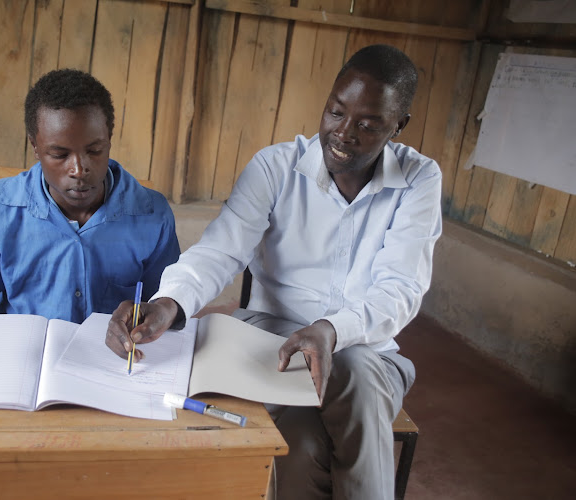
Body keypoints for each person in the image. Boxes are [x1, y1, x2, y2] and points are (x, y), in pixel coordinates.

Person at [106, 44, 442, 499]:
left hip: (368, 355)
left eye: (367, 124)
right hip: (273, 345)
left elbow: (401, 288)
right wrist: (170, 303)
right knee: (301, 445)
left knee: (356, 367)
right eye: (336, 112)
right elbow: (221, 250)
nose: (343, 134)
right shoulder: (276, 167)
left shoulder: (419, 178)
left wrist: (331, 330)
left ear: (398, 125)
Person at [0, 69, 180, 322]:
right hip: (24, 353)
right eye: (59, 155)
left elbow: (162, 302)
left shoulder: (152, 214)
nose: (78, 169)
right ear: (35, 147)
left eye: (94, 150)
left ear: (108, 140)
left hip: (111, 357)